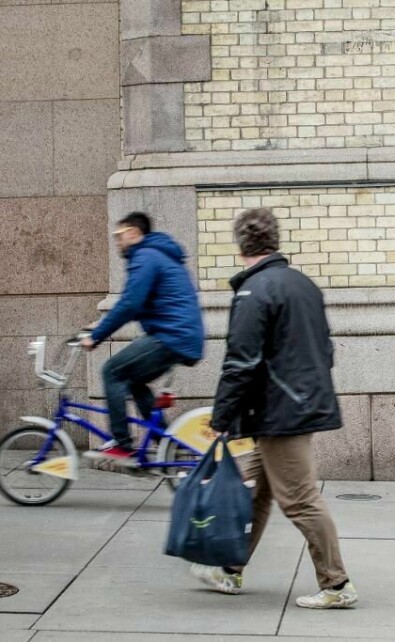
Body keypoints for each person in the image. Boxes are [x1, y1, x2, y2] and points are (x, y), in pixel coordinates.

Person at [190, 207, 357, 610]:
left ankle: (337, 584)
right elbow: (325, 349)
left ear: (241, 245)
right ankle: (229, 568)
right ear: (274, 240)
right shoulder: (303, 285)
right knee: (255, 492)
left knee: (299, 499)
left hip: (280, 413)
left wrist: (222, 415)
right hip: (293, 405)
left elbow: (240, 361)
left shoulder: (254, 291)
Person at [82, 212, 204, 462]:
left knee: (112, 371)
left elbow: (131, 303)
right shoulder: (155, 254)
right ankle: (167, 445)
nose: (117, 241)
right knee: (135, 382)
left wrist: (96, 336)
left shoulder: (146, 256)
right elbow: (141, 303)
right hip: (179, 335)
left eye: (119, 235)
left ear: (133, 233)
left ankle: (122, 444)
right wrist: (101, 324)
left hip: (172, 336)